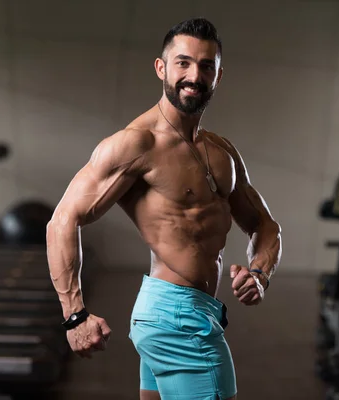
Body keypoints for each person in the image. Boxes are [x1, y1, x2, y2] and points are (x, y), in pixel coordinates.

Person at [46, 17, 282, 400]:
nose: (194, 75)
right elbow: (62, 221)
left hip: (185, 311)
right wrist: (74, 315)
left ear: (218, 76)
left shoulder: (223, 152)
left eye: (207, 66)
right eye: (183, 63)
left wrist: (259, 273)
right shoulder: (135, 145)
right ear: (162, 68)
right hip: (177, 317)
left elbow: (266, 226)